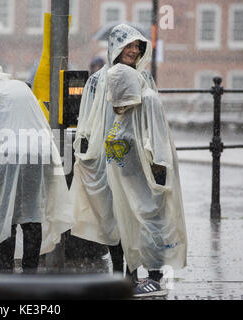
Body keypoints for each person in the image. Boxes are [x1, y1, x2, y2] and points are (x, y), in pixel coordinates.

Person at [0, 61, 73, 274]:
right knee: (32, 213)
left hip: (6, 156)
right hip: (38, 152)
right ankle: (29, 272)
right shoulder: (20, 86)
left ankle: (5, 274)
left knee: (6, 215)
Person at [70, 24, 158, 285]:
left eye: (136, 47)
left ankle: (145, 272)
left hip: (136, 160)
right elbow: (86, 119)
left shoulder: (145, 78)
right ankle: (123, 275)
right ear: (116, 48)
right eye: (128, 46)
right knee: (114, 217)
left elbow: (152, 117)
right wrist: (85, 153)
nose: (132, 51)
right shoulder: (97, 80)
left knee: (138, 215)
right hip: (108, 158)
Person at [105, 63, 187, 297]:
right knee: (136, 225)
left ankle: (155, 278)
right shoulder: (127, 105)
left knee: (151, 222)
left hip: (146, 179)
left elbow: (157, 140)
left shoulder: (148, 100)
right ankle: (141, 274)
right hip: (131, 179)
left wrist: (158, 180)